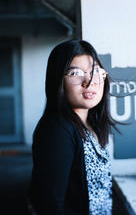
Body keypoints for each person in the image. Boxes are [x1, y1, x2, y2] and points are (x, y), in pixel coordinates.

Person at [29, 40, 119, 215]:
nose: (89, 80)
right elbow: (50, 206)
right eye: (76, 73)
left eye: (95, 71)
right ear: (58, 81)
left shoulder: (90, 123)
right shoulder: (58, 130)